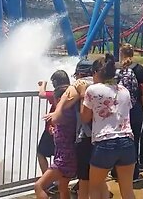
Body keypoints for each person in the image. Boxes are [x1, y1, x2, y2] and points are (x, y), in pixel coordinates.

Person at [81, 54, 136, 199]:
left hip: (105, 143)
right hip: (127, 141)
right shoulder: (124, 90)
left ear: (96, 73)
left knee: (95, 188)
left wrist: (82, 96)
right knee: (127, 190)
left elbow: (85, 117)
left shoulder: (92, 90)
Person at [112, 43, 143, 182]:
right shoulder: (137, 68)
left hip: (118, 110)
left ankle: (115, 171)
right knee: (134, 141)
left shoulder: (116, 68)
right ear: (132, 54)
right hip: (134, 109)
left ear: (121, 54)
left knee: (117, 139)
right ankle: (133, 173)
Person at [54, 59, 94, 198]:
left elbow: (62, 110)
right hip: (101, 136)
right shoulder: (102, 85)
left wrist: (59, 106)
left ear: (80, 74)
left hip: (85, 136)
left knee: (84, 178)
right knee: (96, 178)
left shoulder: (80, 85)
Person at [35, 71, 77, 199]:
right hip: (72, 158)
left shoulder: (61, 115)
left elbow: (56, 119)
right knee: (63, 188)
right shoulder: (72, 113)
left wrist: (60, 105)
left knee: (39, 186)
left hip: (63, 161)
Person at [36, 81, 57, 193]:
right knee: (59, 156)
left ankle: (48, 182)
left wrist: (42, 84)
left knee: (41, 152)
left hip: (52, 130)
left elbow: (42, 94)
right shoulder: (70, 93)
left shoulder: (57, 93)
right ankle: (57, 182)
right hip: (65, 130)